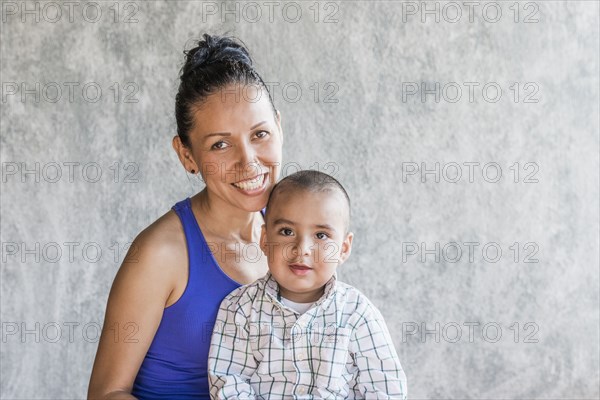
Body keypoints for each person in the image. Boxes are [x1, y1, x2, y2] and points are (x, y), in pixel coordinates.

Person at [87, 33, 283, 399]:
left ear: (279, 127)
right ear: (187, 155)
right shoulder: (159, 254)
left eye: (259, 134)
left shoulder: (299, 233)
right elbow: (106, 393)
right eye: (220, 144)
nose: (249, 161)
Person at [208, 170, 407, 399]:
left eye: (321, 235)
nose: (302, 248)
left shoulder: (358, 313)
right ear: (265, 240)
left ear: (343, 248)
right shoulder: (240, 309)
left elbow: (385, 388)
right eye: (287, 231)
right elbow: (229, 382)